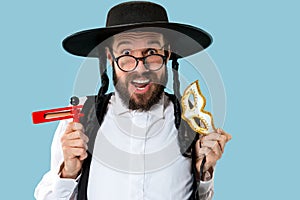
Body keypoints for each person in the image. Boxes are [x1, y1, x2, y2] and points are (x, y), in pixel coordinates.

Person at [34, 1, 231, 200]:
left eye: (152, 53)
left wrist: (203, 174)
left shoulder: (191, 124)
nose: (140, 68)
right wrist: (68, 172)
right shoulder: (81, 120)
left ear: (167, 53)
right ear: (110, 57)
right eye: (126, 54)